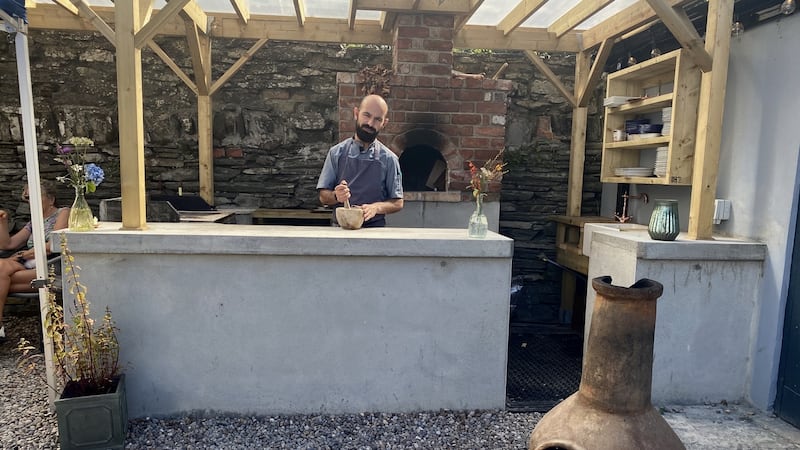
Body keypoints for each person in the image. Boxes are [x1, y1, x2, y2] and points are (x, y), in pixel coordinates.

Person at [316, 94, 403, 227]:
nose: (370, 123)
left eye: (377, 119)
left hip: (375, 231)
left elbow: (397, 202)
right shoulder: (336, 153)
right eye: (366, 115)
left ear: (384, 123)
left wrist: (376, 208)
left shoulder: (389, 159)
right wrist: (336, 196)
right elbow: (323, 196)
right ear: (356, 113)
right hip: (340, 230)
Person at [0, 180, 69, 341]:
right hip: (28, 267)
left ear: (51, 199)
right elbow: (8, 244)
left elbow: (54, 244)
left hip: (51, 268)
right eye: (28, 198)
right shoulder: (33, 222)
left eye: (35, 197)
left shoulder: (63, 212)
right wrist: (3, 222)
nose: (31, 201)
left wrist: (26, 254)